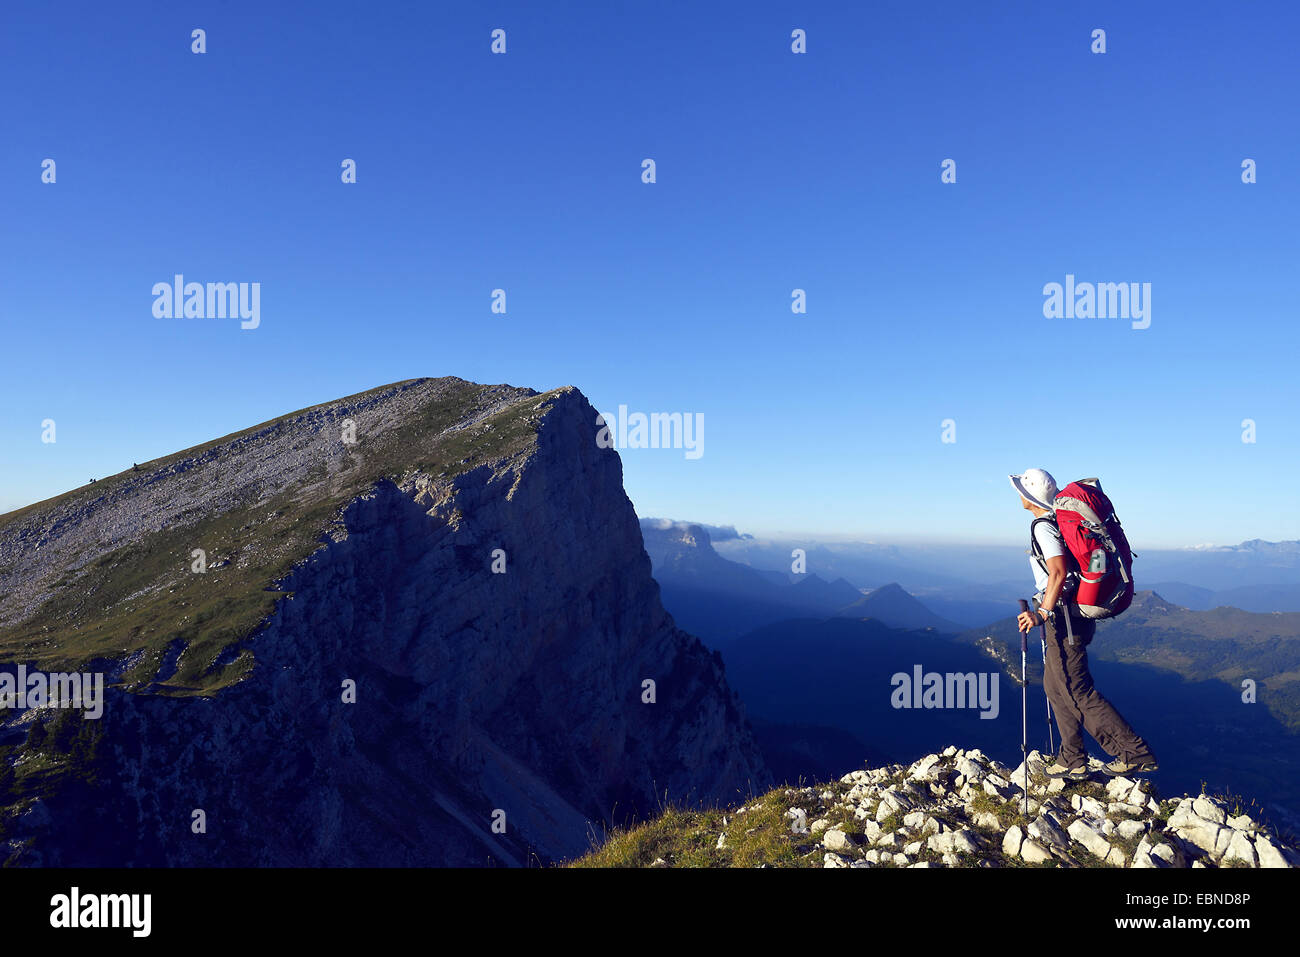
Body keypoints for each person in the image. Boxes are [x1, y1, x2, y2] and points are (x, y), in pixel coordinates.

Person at [1010, 468, 1158, 779]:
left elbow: (1058, 572)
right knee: (1055, 687)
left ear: (1029, 497)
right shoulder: (1060, 522)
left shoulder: (1043, 527)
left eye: (1020, 490)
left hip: (1064, 618)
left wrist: (1042, 613)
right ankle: (1072, 758)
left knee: (1077, 690)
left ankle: (1133, 753)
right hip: (1074, 612)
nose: (1017, 495)